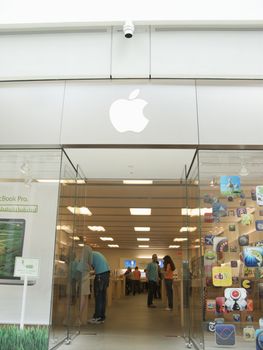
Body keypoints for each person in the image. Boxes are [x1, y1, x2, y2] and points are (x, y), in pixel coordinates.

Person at [88, 250, 110, 324]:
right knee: (102, 297)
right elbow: (96, 268)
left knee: (98, 297)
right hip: (105, 275)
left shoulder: (90, 255)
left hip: (100, 276)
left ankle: (97, 317)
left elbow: (87, 267)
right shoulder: (96, 253)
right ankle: (101, 317)